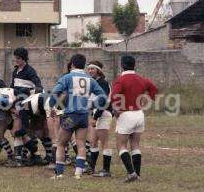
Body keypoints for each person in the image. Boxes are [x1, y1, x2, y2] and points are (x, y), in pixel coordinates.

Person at [49, 54, 107, 180]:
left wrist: (52, 107)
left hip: (71, 115)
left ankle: (59, 174)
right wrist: (92, 104)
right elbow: (103, 97)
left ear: (73, 64)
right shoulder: (90, 79)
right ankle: (78, 173)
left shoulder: (68, 77)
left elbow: (55, 92)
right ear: (84, 65)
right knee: (81, 143)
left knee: (60, 143)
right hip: (83, 116)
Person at [111, 55, 158, 183]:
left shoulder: (120, 80)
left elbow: (114, 96)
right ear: (134, 65)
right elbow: (154, 89)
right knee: (135, 145)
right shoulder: (141, 79)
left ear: (122, 65)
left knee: (121, 145)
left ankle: (131, 173)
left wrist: (116, 109)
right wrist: (148, 97)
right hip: (139, 114)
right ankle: (137, 174)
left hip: (126, 115)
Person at [10, 47, 43, 166]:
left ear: (24, 58)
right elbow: (12, 88)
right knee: (20, 131)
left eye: (18, 58)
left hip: (26, 104)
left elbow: (39, 88)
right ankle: (35, 155)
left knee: (19, 130)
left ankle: (19, 159)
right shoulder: (15, 71)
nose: (16, 61)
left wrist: (24, 92)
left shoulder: (30, 71)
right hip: (17, 103)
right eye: (15, 58)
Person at [86, 61, 113, 177]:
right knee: (92, 142)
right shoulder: (93, 83)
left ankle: (106, 170)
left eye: (93, 69)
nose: (90, 71)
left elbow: (104, 102)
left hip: (103, 114)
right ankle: (91, 168)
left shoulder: (103, 83)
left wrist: (95, 117)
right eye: (89, 69)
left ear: (98, 70)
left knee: (104, 143)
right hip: (95, 115)